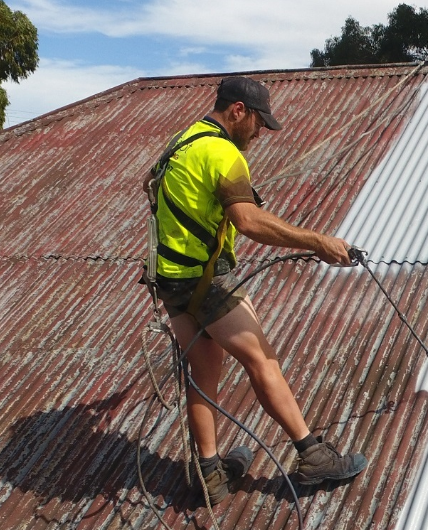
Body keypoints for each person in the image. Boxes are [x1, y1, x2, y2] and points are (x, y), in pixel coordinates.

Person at [148, 76, 368, 505]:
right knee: (262, 360)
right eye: (259, 122)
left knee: (204, 374)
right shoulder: (223, 153)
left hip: (171, 281)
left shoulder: (181, 142)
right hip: (208, 282)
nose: (261, 132)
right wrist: (317, 241)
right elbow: (247, 221)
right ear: (238, 111)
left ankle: (210, 475)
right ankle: (312, 456)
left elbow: (151, 186)